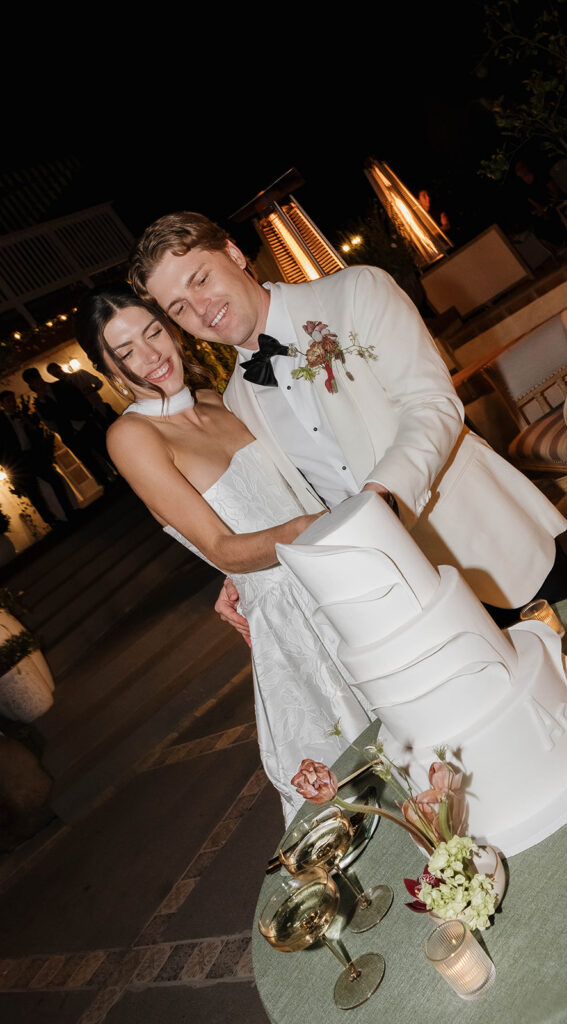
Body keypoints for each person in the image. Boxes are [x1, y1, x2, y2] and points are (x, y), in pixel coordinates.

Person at [129, 212, 567, 639]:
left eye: (201, 279)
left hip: (492, 550)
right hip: (403, 604)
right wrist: (243, 578)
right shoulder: (236, 402)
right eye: (180, 307)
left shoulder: (356, 291)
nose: (202, 310)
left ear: (234, 253)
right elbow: (284, 507)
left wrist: (378, 502)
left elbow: (432, 406)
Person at [76, 285, 371, 823]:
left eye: (153, 332)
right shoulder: (132, 437)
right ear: (109, 371)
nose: (151, 355)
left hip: (340, 573)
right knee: (359, 787)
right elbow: (219, 546)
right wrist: (305, 531)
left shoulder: (220, 399)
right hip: (296, 617)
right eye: (126, 352)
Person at [21, 366, 113, 486]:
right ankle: (105, 483)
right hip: (69, 434)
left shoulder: (61, 385)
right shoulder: (39, 403)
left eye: (37, 379)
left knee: (104, 450)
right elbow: (49, 420)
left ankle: (124, 473)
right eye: (33, 382)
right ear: (30, 384)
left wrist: (86, 415)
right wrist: (43, 399)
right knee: (88, 461)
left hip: (84, 423)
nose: (37, 383)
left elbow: (79, 398)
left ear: (40, 377)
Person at [0, 390, 75, 527]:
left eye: (13, 400)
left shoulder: (22, 414)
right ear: (2, 404)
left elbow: (37, 434)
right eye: (9, 401)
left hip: (34, 455)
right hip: (18, 462)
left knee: (54, 480)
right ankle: (51, 521)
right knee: (33, 493)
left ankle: (69, 511)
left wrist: (30, 425)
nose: (13, 403)